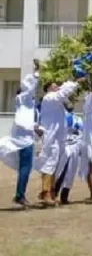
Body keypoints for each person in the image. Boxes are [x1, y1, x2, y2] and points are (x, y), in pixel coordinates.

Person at [36, 75, 81, 206]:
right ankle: (45, 193)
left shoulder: (57, 102)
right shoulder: (49, 98)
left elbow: (63, 93)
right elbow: (62, 93)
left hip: (58, 137)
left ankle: (51, 192)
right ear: (48, 88)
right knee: (50, 163)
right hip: (51, 137)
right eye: (55, 86)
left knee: (55, 164)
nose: (57, 87)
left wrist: (70, 80)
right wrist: (75, 82)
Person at [0, 63, 41, 208]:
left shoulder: (24, 103)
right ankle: (19, 195)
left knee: (24, 167)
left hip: (22, 137)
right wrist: (37, 73)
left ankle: (20, 194)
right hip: (24, 139)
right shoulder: (24, 97)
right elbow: (31, 87)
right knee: (25, 168)